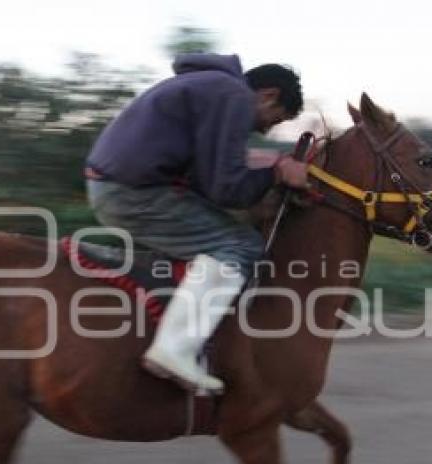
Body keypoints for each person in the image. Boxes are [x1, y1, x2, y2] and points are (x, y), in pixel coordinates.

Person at [85, 53, 309, 395]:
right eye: (272, 119)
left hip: (118, 184)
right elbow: (226, 189)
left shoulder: (209, 87)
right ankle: (174, 349)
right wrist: (278, 171)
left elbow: (209, 177)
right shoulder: (232, 95)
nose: (265, 129)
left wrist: (261, 168)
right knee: (241, 245)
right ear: (268, 95)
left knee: (219, 238)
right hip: (132, 192)